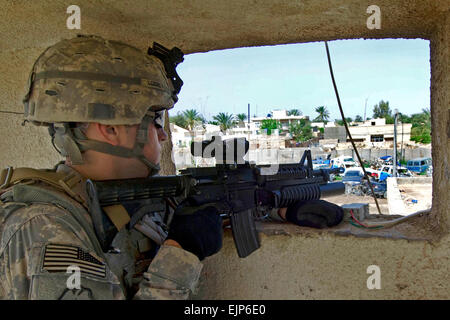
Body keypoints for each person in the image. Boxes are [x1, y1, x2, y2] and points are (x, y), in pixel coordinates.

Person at [0, 35, 223, 300]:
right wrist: (180, 254)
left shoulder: (117, 202)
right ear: (111, 128)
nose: (163, 136)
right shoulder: (45, 230)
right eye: (155, 121)